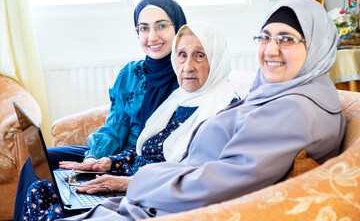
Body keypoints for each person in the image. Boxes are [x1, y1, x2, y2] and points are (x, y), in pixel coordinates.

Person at [57, 0, 346, 220]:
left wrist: (133, 183)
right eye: (265, 37)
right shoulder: (284, 92)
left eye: (286, 39)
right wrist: (110, 164)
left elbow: (222, 180)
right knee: (53, 187)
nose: (271, 49)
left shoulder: (294, 109)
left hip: (177, 204)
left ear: (317, 46)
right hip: (165, 190)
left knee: (49, 203)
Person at [21, 22, 238, 220]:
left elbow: (197, 179)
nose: (188, 66)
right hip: (124, 180)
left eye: (200, 56)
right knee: (39, 190)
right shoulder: (178, 99)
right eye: (182, 55)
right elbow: (145, 148)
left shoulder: (223, 110)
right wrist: (108, 162)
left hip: (147, 198)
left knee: (53, 210)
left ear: (217, 59)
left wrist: (126, 184)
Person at [13, 0, 187, 221]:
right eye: (143, 29)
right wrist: (91, 159)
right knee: (38, 162)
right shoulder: (129, 74)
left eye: (161, 26)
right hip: (114, 154)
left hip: (143, 163)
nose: (151, 36)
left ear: (180, 28)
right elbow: (115, 129)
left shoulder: (188, 75)